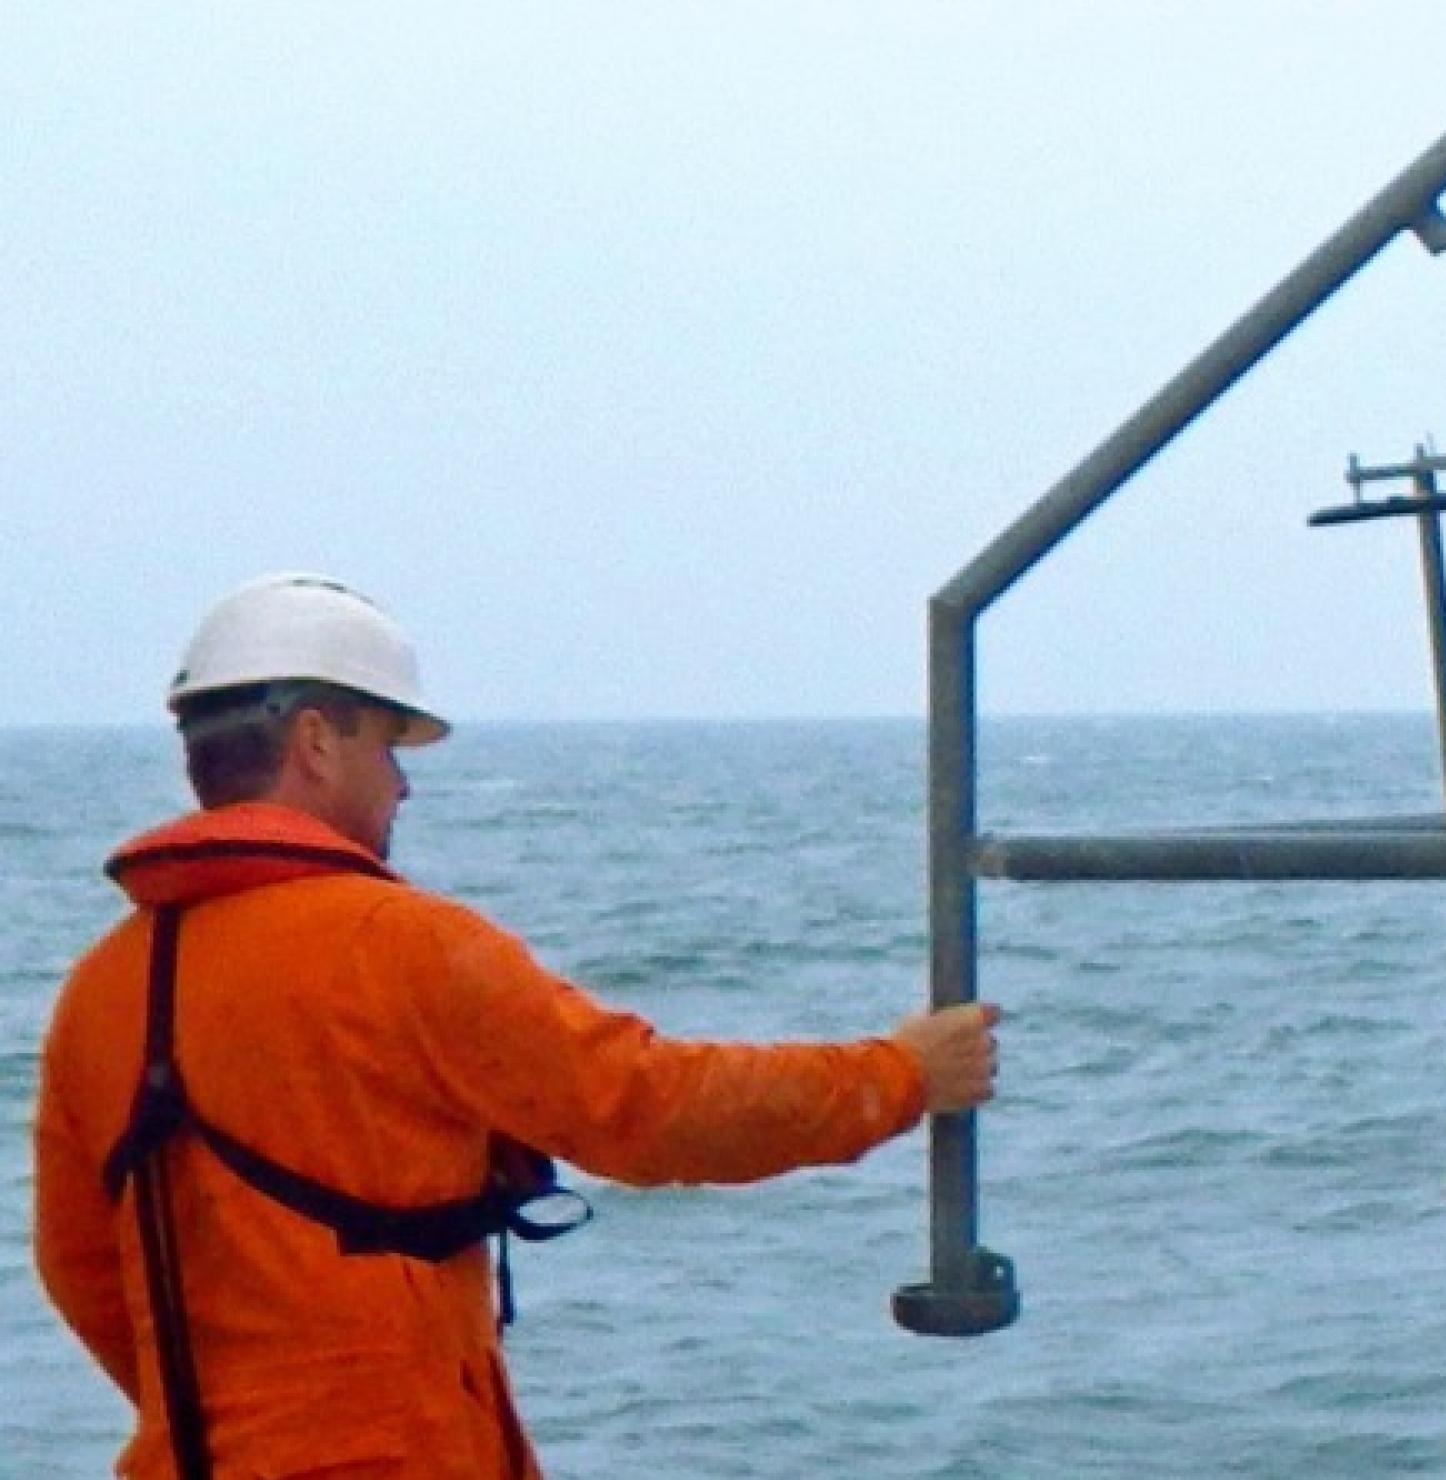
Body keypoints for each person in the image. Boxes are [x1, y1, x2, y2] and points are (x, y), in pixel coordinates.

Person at [31, 573, 1002, 1480]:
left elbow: (78, 1266)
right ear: (318, 742)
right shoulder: (398, 945)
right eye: (389, 748)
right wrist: (899, 1074)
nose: (404, 785)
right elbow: (648, 1107)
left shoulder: (101, 988)